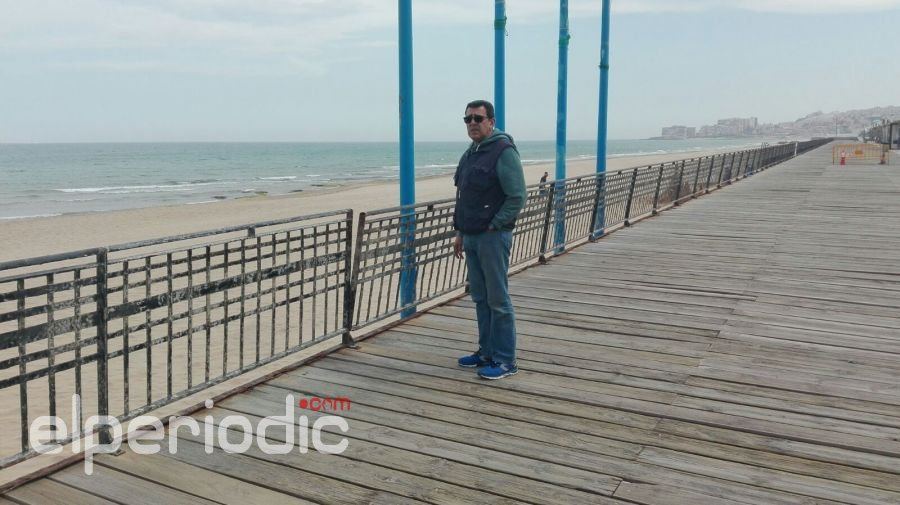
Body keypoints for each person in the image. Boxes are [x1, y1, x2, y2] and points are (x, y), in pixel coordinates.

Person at [452, 99, 526, 380]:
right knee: (481, 298)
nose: (472, 123)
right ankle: (486, 352)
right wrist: (460, 232)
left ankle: (506, 360)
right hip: (471, 235)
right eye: (468, 119)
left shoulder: (503, 151)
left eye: (478, 118)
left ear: (491, 122)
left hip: (492, 237)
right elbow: (464, 197)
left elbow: (517, 196)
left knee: (498, 300)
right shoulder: (471, 153)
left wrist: (495, 225)